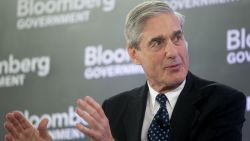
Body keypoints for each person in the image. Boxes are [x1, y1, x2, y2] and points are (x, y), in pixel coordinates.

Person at [4, 1, 246, 141]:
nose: (173, 52)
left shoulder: (223, 102)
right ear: (133, 53)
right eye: (157, 42)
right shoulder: (115, 109)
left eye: (177, 37)